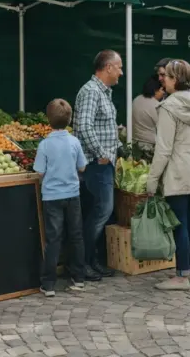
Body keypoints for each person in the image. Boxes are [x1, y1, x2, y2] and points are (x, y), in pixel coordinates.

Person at [146, 60, 190, 291]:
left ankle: (181, 276)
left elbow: (163, 149)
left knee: (180, 223)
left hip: (178, 172)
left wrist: (152, 180)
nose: (163, 80)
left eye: (168, 76)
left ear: (176, 79)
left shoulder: (168, 107)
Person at [74, 50, 123, 281]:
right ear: (108, 68)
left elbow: (104, 126)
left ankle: (92, 260)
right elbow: (84, 127)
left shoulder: (103, 92)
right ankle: (82, 263)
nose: (121, 72)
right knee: (100, 212)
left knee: (101, 212)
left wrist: (118, 147)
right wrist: (102, 153)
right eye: (119, 67)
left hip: (104, 162)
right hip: (96, 164)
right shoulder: (91, 91)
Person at [34, 99, 87, 297]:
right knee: (76, 236)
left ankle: (48, 285)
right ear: (70, 119)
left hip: (51, 197)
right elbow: (82, 167)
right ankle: (79, 278)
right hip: (73, 195)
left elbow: (39, 171)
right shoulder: (75, 142)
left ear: (48, 120)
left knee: (53, 239)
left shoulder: (45, 145)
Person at [131, 74, 165, 149]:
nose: (164, 93)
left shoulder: (136, 99)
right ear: (156, 90)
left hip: (134, 143)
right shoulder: (157, 106)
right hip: (150, 146)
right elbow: (164, 128)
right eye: (163, 90)